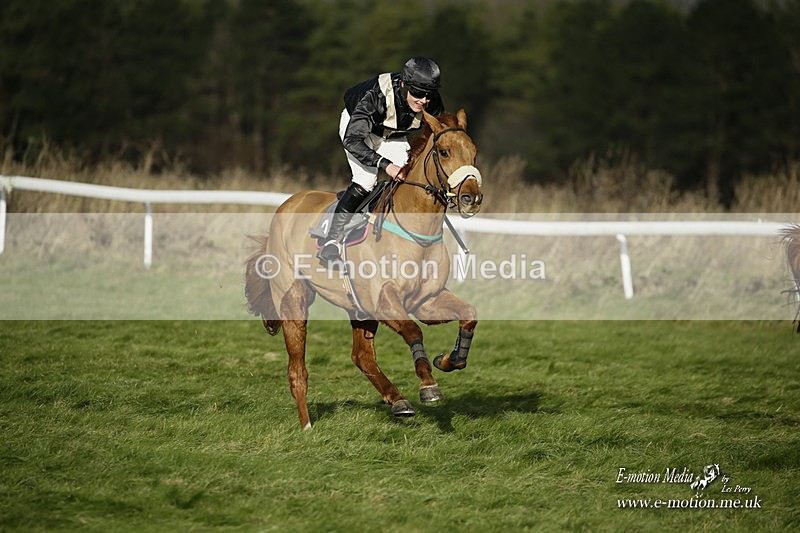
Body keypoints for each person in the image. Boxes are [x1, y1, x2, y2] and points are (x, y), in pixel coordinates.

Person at [317, 56, 445, 265]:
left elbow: (437, 135)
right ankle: (330, 240)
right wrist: (386, 165)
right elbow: (352, 141)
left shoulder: (431, 101)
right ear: (404, 85)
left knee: (409, 177)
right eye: (418, 93)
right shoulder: (375, 96)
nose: (423, 100)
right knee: (366, 179)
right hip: (358, 130)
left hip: (392, 134)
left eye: (428, 94)